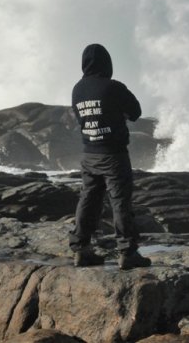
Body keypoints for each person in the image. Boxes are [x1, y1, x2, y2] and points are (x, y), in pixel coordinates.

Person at [68, 43, 152, 270]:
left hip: (89, 154)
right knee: (120, 203)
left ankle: (81, 250)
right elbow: (135, 112)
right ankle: (127, 252)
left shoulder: (77, 89)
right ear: (107, 63)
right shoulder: (113, 87)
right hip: (113, 155)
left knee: (88, 200)